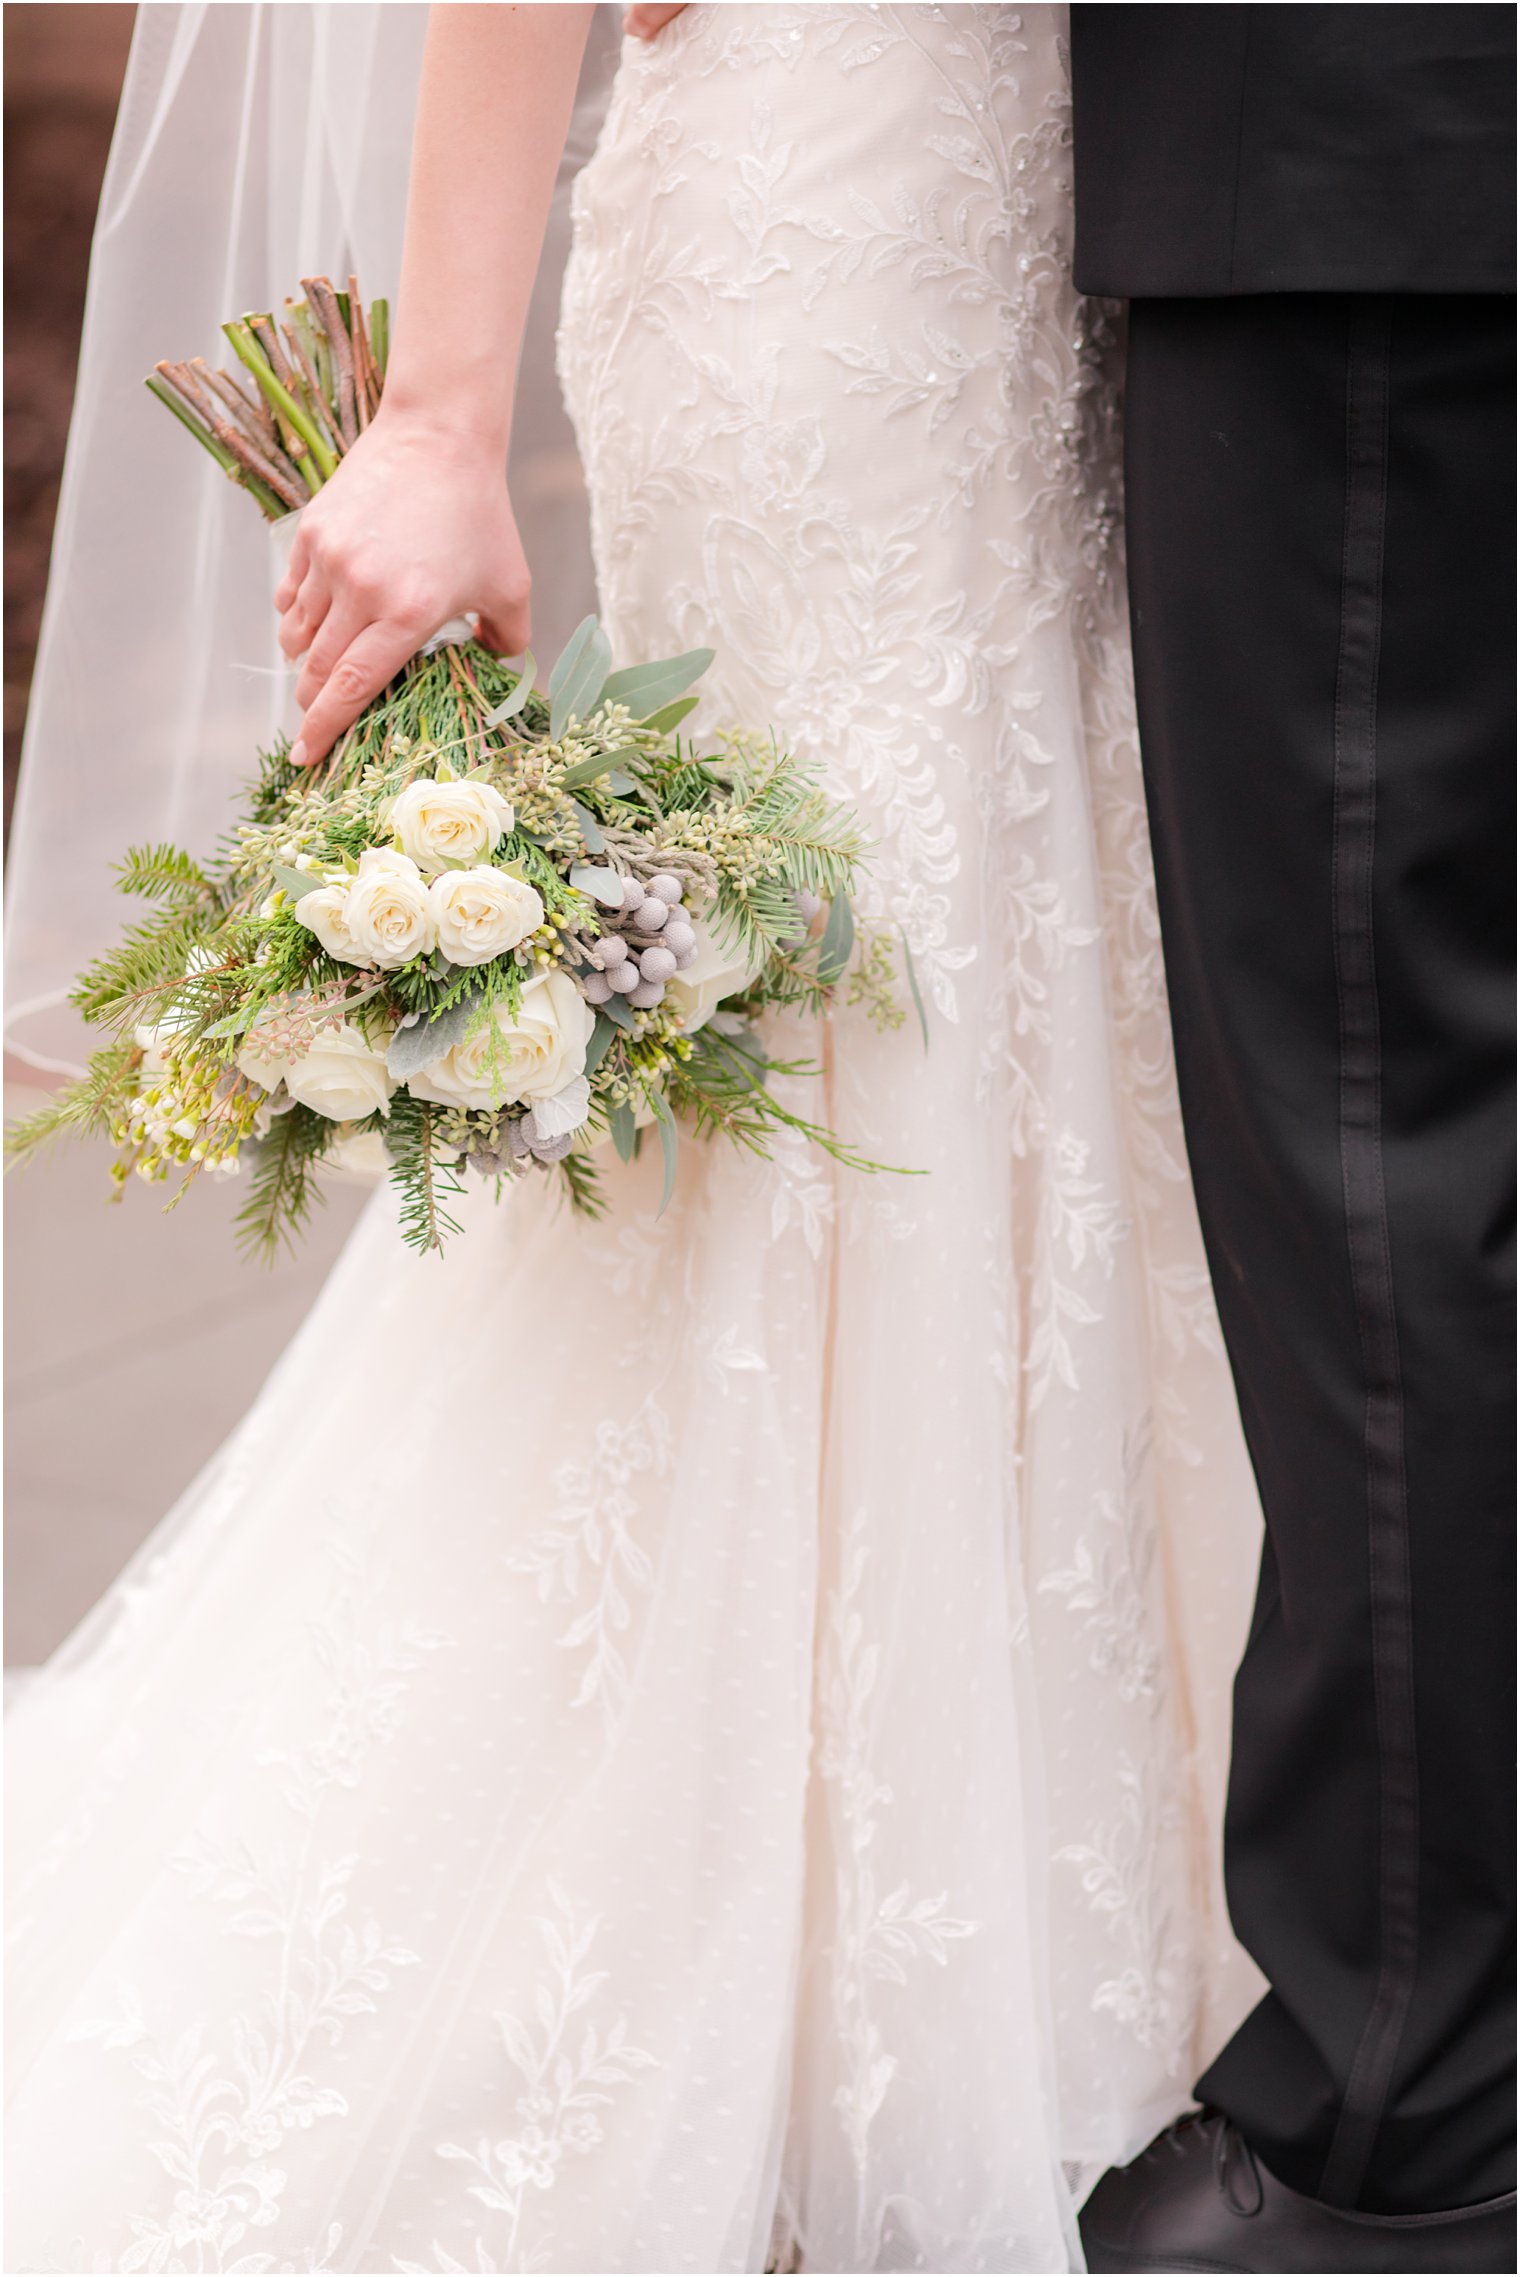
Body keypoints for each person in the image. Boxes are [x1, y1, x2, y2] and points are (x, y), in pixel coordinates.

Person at [5, 8, 1267, 2271]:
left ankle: (1060, 1864)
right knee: (838, 1011)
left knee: (1039, 964)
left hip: (1053, 228)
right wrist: (433, 414)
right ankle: (777, 1931)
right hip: (821, 232)